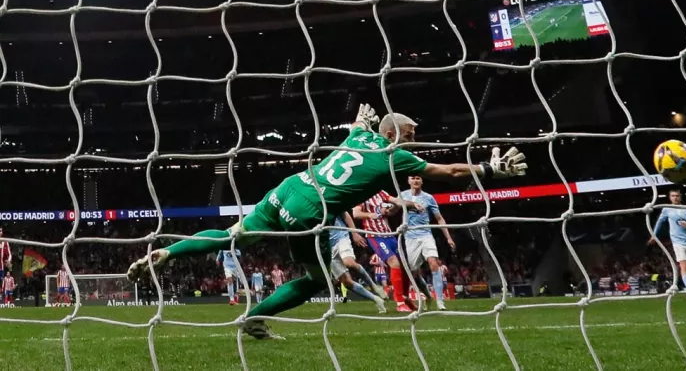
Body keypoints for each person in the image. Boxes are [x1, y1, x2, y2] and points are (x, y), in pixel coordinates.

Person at [126, 104, 527, 339]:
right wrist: (490, 170)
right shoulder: (396, 156)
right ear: (393, 132)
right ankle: (253, 319)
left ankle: (167, 251)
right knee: (318, 280)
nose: (413, 137)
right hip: (310, 210)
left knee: (234, 236)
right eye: (410, 131)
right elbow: (452, 173)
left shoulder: (357, 139)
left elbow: (355, 132)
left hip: (289, 187)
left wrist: (358, 122)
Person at [353, 190, 427, 312]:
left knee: (405, 266)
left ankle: (406, 298)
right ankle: (399, 302)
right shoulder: (362, 194)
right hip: (375, 236)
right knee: (394, 262)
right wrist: (369, 215)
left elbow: (395, 204)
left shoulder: (381, 193)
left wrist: (411, 204)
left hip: (390, 235)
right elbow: (356, 213)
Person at [401, 175, 455, 311]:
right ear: (408, 181)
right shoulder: (402, 195)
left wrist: (448, 237)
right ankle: (428, 296)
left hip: (426, 235)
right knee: (414, 274)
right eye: (412, 178)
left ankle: (440, 302)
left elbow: (439, 218)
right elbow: (393, 209)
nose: (415, 181)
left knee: (433, 263)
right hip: (410, 237)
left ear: (422, 181)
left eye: (418, 178)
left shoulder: (429, 198)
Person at [329, 214, 386, 314]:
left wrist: (354, 233)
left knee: (349, 263)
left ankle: (374, 286)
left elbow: (346, 215)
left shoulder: (327, 201)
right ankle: (376, 299)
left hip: (341, 237)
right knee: (347, 283)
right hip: (328, 248)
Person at [649, 188, 686, 298]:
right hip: (677, 241)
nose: (675, 197)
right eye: (673, 196)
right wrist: (654, 235)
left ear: (680, 197)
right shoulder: (666, 209)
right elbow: (659, 222)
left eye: (677, 195)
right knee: (684, 265)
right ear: (670, 197)